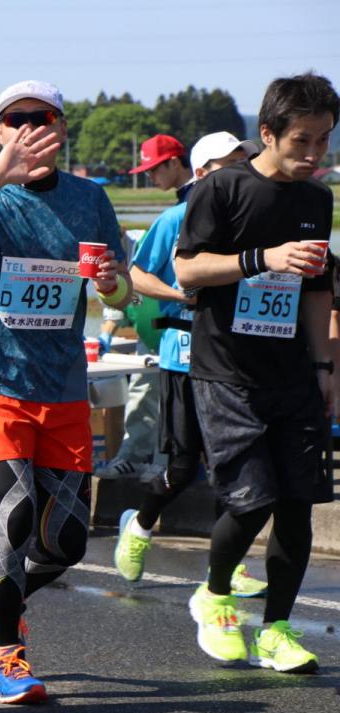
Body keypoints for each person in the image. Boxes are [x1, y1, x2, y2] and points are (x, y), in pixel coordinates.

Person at [0, 81, 133, 704]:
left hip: (64, 384)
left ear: (61, 126)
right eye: (14, 119)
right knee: (13, 517)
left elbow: (122, 291)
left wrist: (110, 284)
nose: (28, 128)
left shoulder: (89, 199)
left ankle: (4, 593)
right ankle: (9, 657)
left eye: (40, 117)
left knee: (68, 540)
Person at [175, 73, 338, 674]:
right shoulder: (222, 188)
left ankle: (276, 629)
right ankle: (214, 595)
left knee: (298, 502)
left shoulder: (317, 201)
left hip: (292, 373)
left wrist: (324, 367)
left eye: (324, 141)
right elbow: (188, 271)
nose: (314, 155)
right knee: (250, 500)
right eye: (302, 141)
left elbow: (318, 289)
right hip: (226, 372)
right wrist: (261, 259)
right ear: (267, 133)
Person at [114, 131, 267, 599]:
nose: (241, 170)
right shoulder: (176, 216)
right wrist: (183, 294)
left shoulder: (255, 216)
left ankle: (230, 566)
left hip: (236, 358)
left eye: (244, 161)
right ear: (201, 172)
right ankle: (138, 528)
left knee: (234, 469)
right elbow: (137, 274)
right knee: (182, 469)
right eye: (228, 163)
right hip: (183, 358)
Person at [96, 135, 195, 479]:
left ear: (174, 162)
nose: (150, 177)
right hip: (156, 333)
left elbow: (135, 278)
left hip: (182, 329)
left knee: (176, 403)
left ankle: (165, 465)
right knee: (143, 393)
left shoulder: (165, 222)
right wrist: (105, 335)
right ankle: (135, 457)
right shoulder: (170, 217)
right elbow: (118, 298)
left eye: (154, 169)